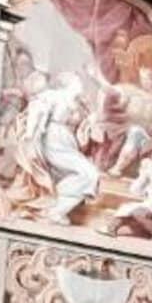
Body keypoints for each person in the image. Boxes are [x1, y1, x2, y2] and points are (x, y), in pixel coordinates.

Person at [19, 69, 102, 225]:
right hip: (54, 139)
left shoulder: (74, 102)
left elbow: (90, 128)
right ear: (69, 83)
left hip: (65, 140)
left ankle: (52, 207)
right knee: (90, 174)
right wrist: (30, 136)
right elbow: (36, 112)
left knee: (85, 174)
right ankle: (53, 209)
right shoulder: (53, 96)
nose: (81, 85)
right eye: (77, 81)